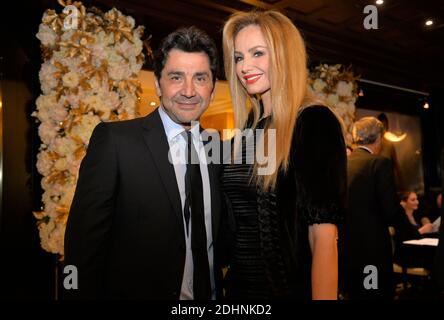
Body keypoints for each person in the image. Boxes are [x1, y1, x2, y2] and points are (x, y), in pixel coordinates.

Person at [64, 27, 224, 299]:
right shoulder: (115, 141)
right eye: (176, 77)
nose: (188, 90)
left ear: (212, 87)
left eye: (200, 78)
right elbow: (82, 250)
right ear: (159, 83)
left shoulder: (216, 148)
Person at [221, 10, 347, 300]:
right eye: (239, 57)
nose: (244, 66)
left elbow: (324, 236)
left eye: (257, 53)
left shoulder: (313, 121)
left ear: (284, 56)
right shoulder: (247, 130)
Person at [341, 116, 402, 299]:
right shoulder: (379, 163)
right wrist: (412, 234)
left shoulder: (343, 165)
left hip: (347, 251)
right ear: (379, 139)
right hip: (372, 255)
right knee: (374, 295)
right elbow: (391, 210)